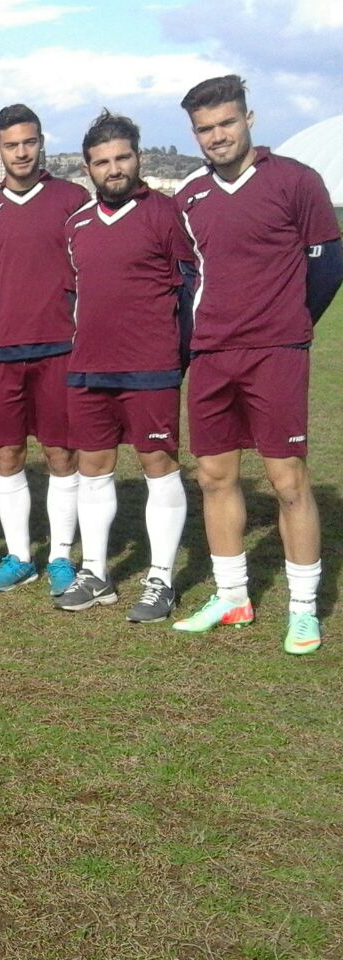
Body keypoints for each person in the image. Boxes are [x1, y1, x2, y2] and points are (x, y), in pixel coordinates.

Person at [171, 75, 343, 654]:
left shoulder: (296, 181)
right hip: (213, 355)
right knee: (214, 476)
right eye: (205, 129)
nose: (217, 136)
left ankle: (302, 608)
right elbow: (185, 279)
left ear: (250, 118)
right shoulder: (188, 199)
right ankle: (232, 595)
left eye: (226, 122)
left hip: (276, 353)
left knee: (287, 481)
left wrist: (290, 325)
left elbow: (327, 264)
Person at [56, 112, 195, 623]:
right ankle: (95, 574)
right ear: (87, 168)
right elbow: (73, 297)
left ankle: (161, 580)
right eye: (102, 161)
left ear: (137, 157)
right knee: (92, 472)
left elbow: (189, 289)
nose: (114, 169)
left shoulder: (166, 213)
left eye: (122, 158)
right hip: (89, 368)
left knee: (159, 469)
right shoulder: (76, 225)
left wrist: (177, 356)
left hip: (151, 367)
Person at [0, 105, 90, 595]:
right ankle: (20, 556)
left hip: (60, 347)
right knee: (7, 453)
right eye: (11, 144)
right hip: (2, 354)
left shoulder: (72, 200)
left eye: (29, 142)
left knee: (61, 453)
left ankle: (61, 557)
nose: (21, 152)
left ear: (41, 142)